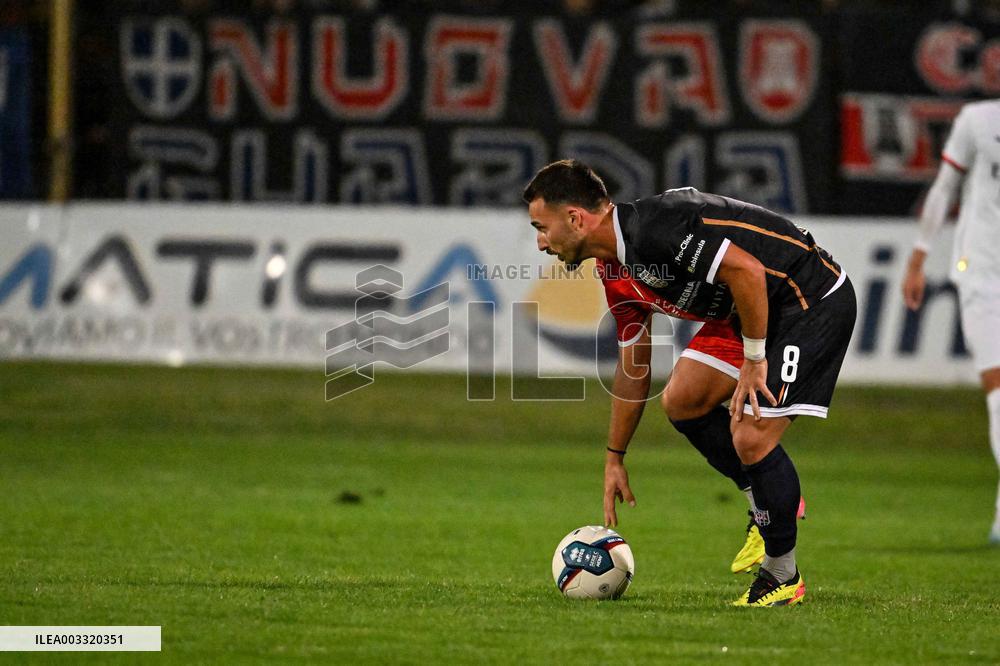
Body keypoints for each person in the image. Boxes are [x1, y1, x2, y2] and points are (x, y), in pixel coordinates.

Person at [522, 160, 856, 606]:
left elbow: (748, 271)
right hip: (749, 310)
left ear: (575, 219)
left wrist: (755, 361)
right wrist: (614, 456)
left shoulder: (655, 229)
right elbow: (634, 365)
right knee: (683, 400)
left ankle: (782, 575)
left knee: (750, 435)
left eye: (541, 227)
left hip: (807, 298)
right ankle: (768, 501)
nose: (541, 241)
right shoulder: (614, 268)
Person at [902, 99, 1000, 545]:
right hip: (984, 272)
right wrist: (919, 257)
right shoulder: (979, 121)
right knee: (999, 388)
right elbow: (944, 189)